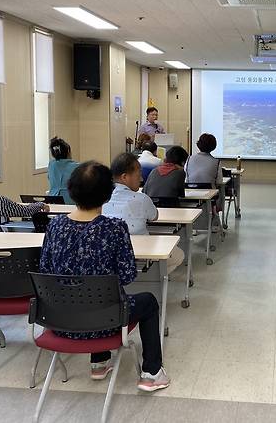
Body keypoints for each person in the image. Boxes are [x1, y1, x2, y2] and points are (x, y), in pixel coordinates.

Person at [39, 161, 170, 392]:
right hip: (105, 321)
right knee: (147, 301)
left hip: (60, 320)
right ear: (107, 195)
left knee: (88, 292)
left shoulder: (55, 226)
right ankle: (152, 372)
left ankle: (99, 362)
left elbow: (46, 269)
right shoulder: (115, 228)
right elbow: (128, 275)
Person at [103, 153, 184, 274]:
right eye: (138, 174)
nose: (141, 179)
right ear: (125, 177)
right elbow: (154, 216)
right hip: (142, 253)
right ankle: (158, 277)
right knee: (179, 255)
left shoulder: (104, 199)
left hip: (112, 254)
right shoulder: (142, 199)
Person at [47, 137, 79, 204]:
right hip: (71, 202)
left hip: (52, 201)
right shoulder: (77, 166)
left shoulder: (51, 165)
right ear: (68, 152)